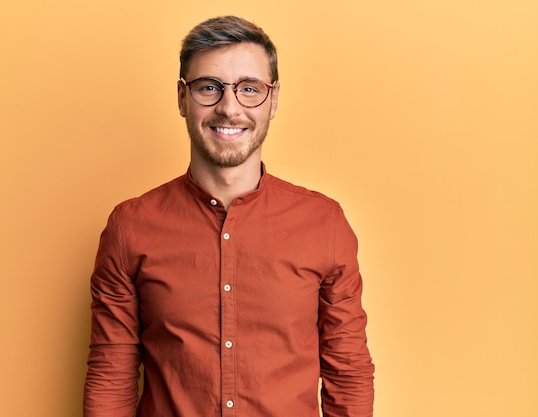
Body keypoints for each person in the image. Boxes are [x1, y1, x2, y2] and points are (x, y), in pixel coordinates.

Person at [83, 15, 374, 417]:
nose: (229, 108)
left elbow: (349, 373)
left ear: (273, 100)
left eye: (249, 89)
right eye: (209, 88)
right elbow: (111, 374)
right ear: (182, 98)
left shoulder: (324, 223)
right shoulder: (130, 227)